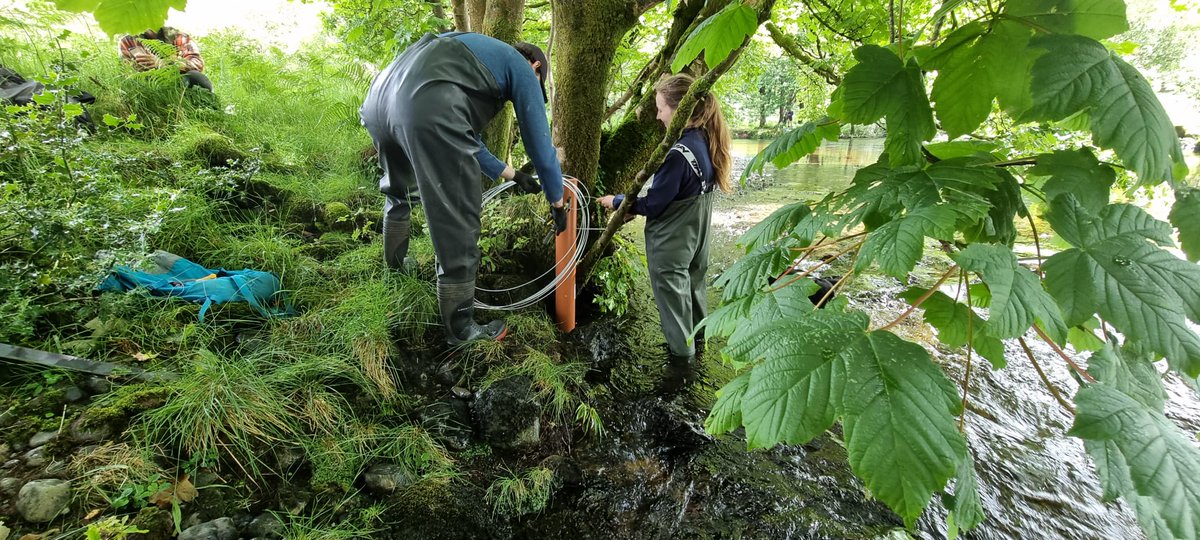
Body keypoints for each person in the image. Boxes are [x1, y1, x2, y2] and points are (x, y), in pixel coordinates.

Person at [360, 32, 566, 346]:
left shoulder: (468, 49)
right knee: (458, 218)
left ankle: (396, 267)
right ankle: (461, 329)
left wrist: (513, 174)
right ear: (536, 65)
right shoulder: (520, 66)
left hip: (379, 103)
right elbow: (540, 147)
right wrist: (557, 200)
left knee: (399, 192)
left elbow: (466, 137)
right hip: (424, 108)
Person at [597, 73, 732, 365]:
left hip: (672, 246)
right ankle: (700, 347)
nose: (658, 116)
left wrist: (617, 202)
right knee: (694, 292)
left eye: (661, 109)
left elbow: (655, 204)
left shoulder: (678, 154)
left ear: (680, 109)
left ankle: (682, 368)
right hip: (698, 241)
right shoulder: (705, 141)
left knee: (675, 310)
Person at [118, 27, 213, 91]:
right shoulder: (128, 41)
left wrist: (164, 63)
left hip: (178, 82)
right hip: (147, 87)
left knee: (195, 77)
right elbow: (126, 74)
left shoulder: (179, 37)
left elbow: (197, 62)